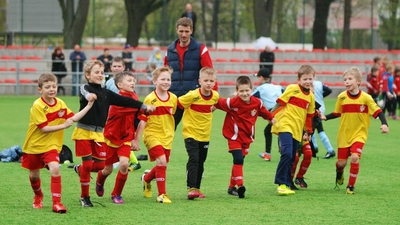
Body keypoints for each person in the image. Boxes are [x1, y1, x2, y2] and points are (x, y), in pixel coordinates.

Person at [71, 60, 155, 207]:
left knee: (101, 166)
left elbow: (126, 101)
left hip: (99, 134)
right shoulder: (85, 87)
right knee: (90, 164)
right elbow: (84, 92)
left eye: (102, 72)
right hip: (85, 131)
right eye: (96, 72)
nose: (99, 75)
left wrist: (143, 106)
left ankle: (84, 172)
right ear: (87, 75)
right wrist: (89, 96)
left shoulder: (107, 93)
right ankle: (85, 197)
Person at [22, 73, 95, 214]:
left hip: (52, 146)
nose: (51, 89)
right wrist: (64, 126)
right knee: (34, 176)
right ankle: (38, 196)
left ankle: (57, 203)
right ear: (40, 90)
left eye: (54, 86)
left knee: (55, 168)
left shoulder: (60, 103)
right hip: (34, 146)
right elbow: (43, 129)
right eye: (47, 87)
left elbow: (72, 118)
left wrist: (89, 105)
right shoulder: (38, 105)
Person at [320, 67, 389, 194]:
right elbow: (337, 113)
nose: (346, 81)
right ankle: (339, 172)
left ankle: (350, 186)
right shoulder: (341, 97)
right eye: (345, 79)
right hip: (344, 135)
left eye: (350, 79)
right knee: (341, 164)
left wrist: (384, 124)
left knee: (355, 157)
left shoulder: (366, 98)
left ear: (358, 81)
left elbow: (378, 111)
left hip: (359, 134)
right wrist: (325, 117)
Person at [215, 76, 275, 199]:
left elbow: (264, 111)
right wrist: (212, 106)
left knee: (239, 160)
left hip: (247, 137)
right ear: (237, 91)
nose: (244, 93)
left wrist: (271, 118)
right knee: (238, 159)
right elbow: (216, 100)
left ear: (251, 90)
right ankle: (240, 185)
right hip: (233, 136)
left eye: (247, 90)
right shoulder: (232, 102)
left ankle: (231, 187)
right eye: (241, 91)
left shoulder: (257, 102)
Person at [95, 71, 143, 204]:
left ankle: (116, 194)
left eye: (134, 80)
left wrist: (135, 138)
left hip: (125, 138)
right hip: (111, 139)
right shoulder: (116, 101)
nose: (133, 82)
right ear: (119, 85)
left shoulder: (134, 97)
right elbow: (135, 110)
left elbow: (137, 117)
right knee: (107, 169)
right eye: (129, 80)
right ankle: (100, 180)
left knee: (124, 164)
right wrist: (146, 108)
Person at [271, 65, 316, 196]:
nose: (308, 81)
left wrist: (308, 132)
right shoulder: (292, 88)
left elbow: (309, 116)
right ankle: (281, 184)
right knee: (287, 153)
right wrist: (270, 115)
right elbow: (280, 103)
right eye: (305, 79)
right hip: (285, 124)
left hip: (297, 130)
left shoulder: (311, 97)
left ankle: (287, 182)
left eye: (310, 79)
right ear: (299, 79)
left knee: (292, 157)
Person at [164, 17, 214, 129]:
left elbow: (209, 72)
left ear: (191, 31)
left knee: (194, 132)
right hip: (174, 97)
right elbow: (165, 75)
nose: (184, 34)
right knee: (167, 129)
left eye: (186, 31)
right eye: (181, 31)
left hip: (194, 97)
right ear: (176, 30)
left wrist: (212, 96)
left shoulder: (201, 49)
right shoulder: (169, 50)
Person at [137, 66, 177, 204]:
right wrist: (136, 140)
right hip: (152, 135)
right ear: (154, 81)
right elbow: (142, 120)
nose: (166, 82)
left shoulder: (174, 99)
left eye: (168, 79)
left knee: (162, 165)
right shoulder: (150, 99)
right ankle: (162, 194)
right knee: (162, 162)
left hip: (168, 137)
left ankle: (147, 179)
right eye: (163, 79)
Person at [178, 67, 219, 200]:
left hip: (205, 134)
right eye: (205, 80)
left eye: (211, 81)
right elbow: (178, 104)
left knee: (201, 161)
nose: (208, 83)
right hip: (190, 133)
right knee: (194, 159)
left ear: (215, 82)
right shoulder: (192, 95)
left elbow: (213, 107)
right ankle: (191, 188)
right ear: (199, 81)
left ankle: (197, 188)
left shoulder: (215, 96)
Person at [105, 56, 142, 171]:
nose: (116, 68)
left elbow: (133, 103)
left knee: (125, 141)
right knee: (106, 168)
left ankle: (133, 161)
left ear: (124, 67)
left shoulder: (130, 89)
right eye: (114, 66)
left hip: (127, 119)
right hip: (114, 121)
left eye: (119, 66)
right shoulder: (108, 83)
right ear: (111, 68)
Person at [252, 68, 283, 161]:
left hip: (274, 112)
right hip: (284, 111)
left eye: (258, 77)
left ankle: (274, 153)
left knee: (279, 132)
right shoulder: (278, 87)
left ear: (261, 77)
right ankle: (268, 153)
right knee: (271, 131)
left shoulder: (260, 88)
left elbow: (251, 99)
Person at [311, 79, 336, 159]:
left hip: (315, 109)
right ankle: (314, 147)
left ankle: (330, 150)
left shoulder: (307, 83)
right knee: (313, 127)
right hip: (320, 108)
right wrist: (321, 96)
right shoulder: (319, 83)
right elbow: (328, 90)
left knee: (318, 130)